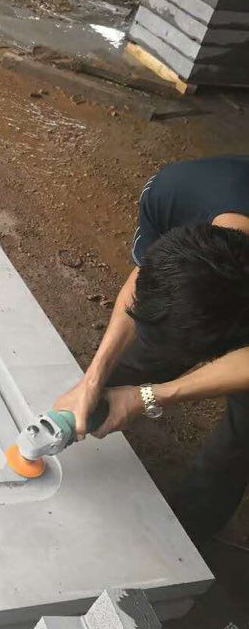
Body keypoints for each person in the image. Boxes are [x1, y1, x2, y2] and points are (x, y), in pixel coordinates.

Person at [54, 155, 249, 544]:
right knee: (142, 350)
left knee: (240, 438)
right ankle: (91, 411)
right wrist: (94, 378)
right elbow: (144, 277)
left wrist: (150, 397)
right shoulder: (172, 193)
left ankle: (186, 538)